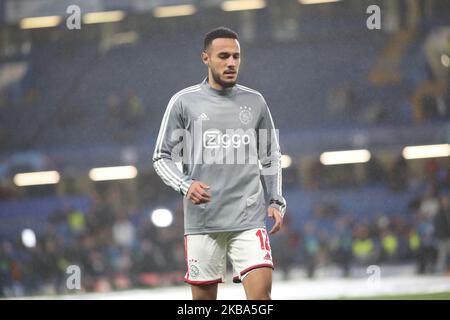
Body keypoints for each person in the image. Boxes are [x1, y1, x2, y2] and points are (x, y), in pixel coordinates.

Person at [152, 27, 286, 300]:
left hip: (248, 218)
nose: (231, 63)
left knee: (261, 299)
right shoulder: (183, 102)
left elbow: (270, 155)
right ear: (205, 59)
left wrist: (275, 200)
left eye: (236, 56)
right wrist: (185, 184)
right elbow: (161, 157)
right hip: (203, 221)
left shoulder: (255, 101)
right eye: (223, 56)